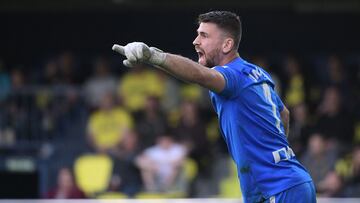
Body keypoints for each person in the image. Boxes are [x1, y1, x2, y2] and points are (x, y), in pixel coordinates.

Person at [112, 10, 315, 203]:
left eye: (204, 36)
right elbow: (284, 114)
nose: (195, 41)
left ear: (227, 45)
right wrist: (275, 154)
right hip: (283, 184)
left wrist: (154, 57)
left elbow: (200, 75)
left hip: (279, 188)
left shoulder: (233, 76)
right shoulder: (257, 73)